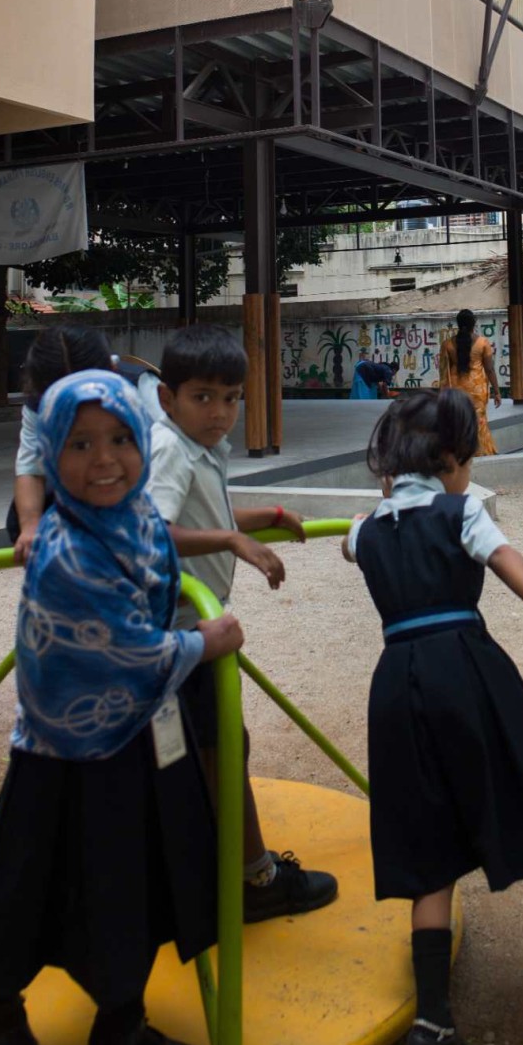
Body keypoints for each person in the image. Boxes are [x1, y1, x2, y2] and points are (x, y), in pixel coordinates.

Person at [0, 369, 243, 1045]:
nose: (104, 458)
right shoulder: (66, 550)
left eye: (118, 438)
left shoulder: (136, 518)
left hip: (136, 742)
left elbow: (159, 581)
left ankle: (119, 1029)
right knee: (32, 887)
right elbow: (122, 653)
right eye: (79, 443)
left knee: (133, 887)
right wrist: (205, 643)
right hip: (62, 753)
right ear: (50, 451)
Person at [342, 389, 523, 1045]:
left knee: (427, 844)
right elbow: (501, 551)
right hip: (465, 666)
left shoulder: (363, 529)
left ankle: (433, 1027)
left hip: (396, 681)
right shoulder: (459, 509)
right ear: (451, 461)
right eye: (466, 459)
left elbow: (354, 537)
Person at [146, 323, 338, 922]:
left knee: (208, 747)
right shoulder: (168, 449)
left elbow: (211, 512)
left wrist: (269, 515)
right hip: (180, 630)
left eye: (231, 398)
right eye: (202, 397)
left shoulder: (201, 447)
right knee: (222, 746)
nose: (220, 412)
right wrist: (232, 537)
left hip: (185, 628)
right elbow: (150, 530)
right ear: (167, 398)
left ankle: (195, 867)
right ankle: (256, 881)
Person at [9, 325, 119, 561]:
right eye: (61, 401)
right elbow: (30, 468)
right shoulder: (37, 407)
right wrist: (30, 527)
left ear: (113, 371)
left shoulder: (141, 394)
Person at [438, 309, 501, 456]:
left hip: (456, 390)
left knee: (458, 420)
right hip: (477, 390)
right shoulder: (483, 343)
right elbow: (490, 369)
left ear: (458, 324)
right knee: (479, 422)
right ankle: (480, 452)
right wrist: (497, 392)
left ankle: (460, 451)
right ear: (474, 323)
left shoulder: (447, 344)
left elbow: (443, 371)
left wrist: (443, 393)